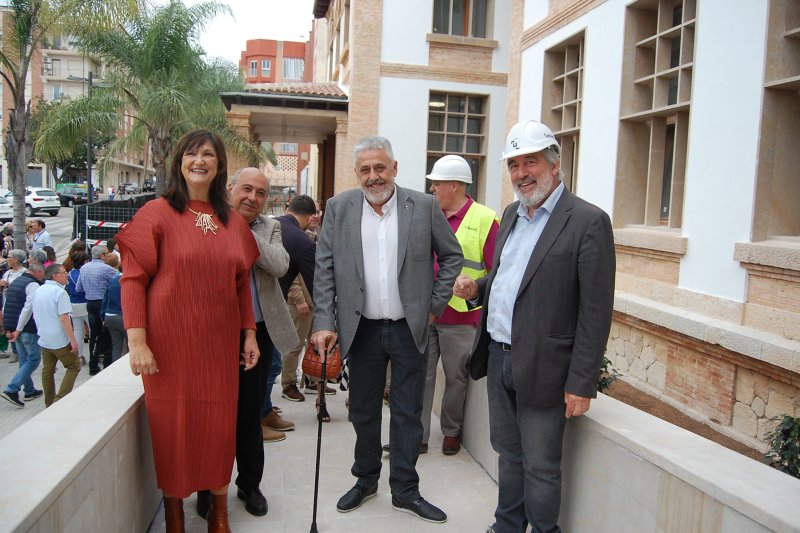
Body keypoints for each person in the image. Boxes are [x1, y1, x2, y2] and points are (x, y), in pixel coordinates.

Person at [453, 120, 616, 533]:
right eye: (514, 164)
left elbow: (595, 312)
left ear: (554, 164)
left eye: (531, 162)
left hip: (548, 368)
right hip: (499, 357)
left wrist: (582, 381)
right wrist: (478, 288)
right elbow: (513, 278)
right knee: (508, 453)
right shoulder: (511, 214)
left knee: (542, 466)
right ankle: (507, 525)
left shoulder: (587, 221)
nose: (521, 173)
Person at [311, 136, 462, 523]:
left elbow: (451, 256)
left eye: (380, 167)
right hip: (360, 330)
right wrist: (324, 322)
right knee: (362, 411)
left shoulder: (424, 206)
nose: (373, 176)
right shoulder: (339, 208)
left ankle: (405, 489)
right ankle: (365, 480)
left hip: (409, 328)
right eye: (365, 169)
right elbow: (324, 269)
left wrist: (433, 306)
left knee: (409, 412)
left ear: (394, 168)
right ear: (357, 173)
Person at [116, 130, 260, 533]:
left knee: (218, 426)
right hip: (169, 345)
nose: (200, 160)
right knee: (171, 427)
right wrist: (137, 340)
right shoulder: (156, 213)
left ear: (219, 166)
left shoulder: (232, 223)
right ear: (179, 162)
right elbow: (132, 279)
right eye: (192, 153)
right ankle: (174, 513)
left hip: (218, 346)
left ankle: (219, 511)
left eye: (208, 154)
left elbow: (241, 285)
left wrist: (249, 334)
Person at [195, 166, 299, 519]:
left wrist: (244, 234)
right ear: (230, 188)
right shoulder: (206, 223)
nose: (253, 198)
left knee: (250, 412)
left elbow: (281, 265)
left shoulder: (270, 228)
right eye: (247, 189)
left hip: (258, 332)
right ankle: (209, 487)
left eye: (261, 193)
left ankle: (249, 485)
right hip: (214, 335)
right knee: (213, 414)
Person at [421, 155, 499, 456]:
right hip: (428, 313)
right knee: (422, 376)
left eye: (437, 184)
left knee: (456, 376)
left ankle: (451, 432)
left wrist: (472, 288)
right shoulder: (429, 215)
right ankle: (418, 436)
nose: (433, 189)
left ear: (454, 185)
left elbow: (498, 271)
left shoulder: (485, 219)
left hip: (462, 318)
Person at [275, 195, 318, 404]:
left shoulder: (272, 226)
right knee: (287, 350)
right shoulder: (301, 241)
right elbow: (311, 282)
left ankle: (265, 410)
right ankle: (288, 384)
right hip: (289, 303)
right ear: (310, 217)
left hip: (264, 304)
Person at [31, 264, 80, 407]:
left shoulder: (39, 290)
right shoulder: (60, 292)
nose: (67, 276)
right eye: (64, 273)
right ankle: (59, 401)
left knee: (48, 370)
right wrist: (73, 340)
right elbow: (64, 317)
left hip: (44, 337)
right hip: (59, 338)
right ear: (55, 276)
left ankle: (49, 402)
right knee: (74, 366)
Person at [0, 264, 45, 408]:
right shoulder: (32, 285)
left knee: (24, 359)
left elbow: (8, 306)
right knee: (33, 359)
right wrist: (18, 329)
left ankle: (29, 390)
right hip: (26, 328)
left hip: (14, 326)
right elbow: (28, 309)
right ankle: (12, 388)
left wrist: (9, 329)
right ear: (38, 272)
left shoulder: (16, 282)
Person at [75, 245, 118, 375]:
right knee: (107, 334)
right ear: (101, 256)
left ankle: (93, 365)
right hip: (103, 303)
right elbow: (119, 279)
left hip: (90, 303)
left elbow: (79, 288)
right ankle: (107, 364)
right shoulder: (106, 269)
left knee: (94, 334)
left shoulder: (84, 268)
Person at [66, 251, 90, 367]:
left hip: (73, 304)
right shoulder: (85, 272)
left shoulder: (69, 274)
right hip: (85, 302)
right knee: (92, 329)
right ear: (85, 261)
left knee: (77, 330)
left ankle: (80, 355)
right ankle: (94, 353)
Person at [100, 269, 125, 364]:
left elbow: (105, 300)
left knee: (116, 346)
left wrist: (103, 317)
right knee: (131, 344)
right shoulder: (128, 280)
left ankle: (116, 367)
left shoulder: (112, 281)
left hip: (109, 316)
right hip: (122, 315)